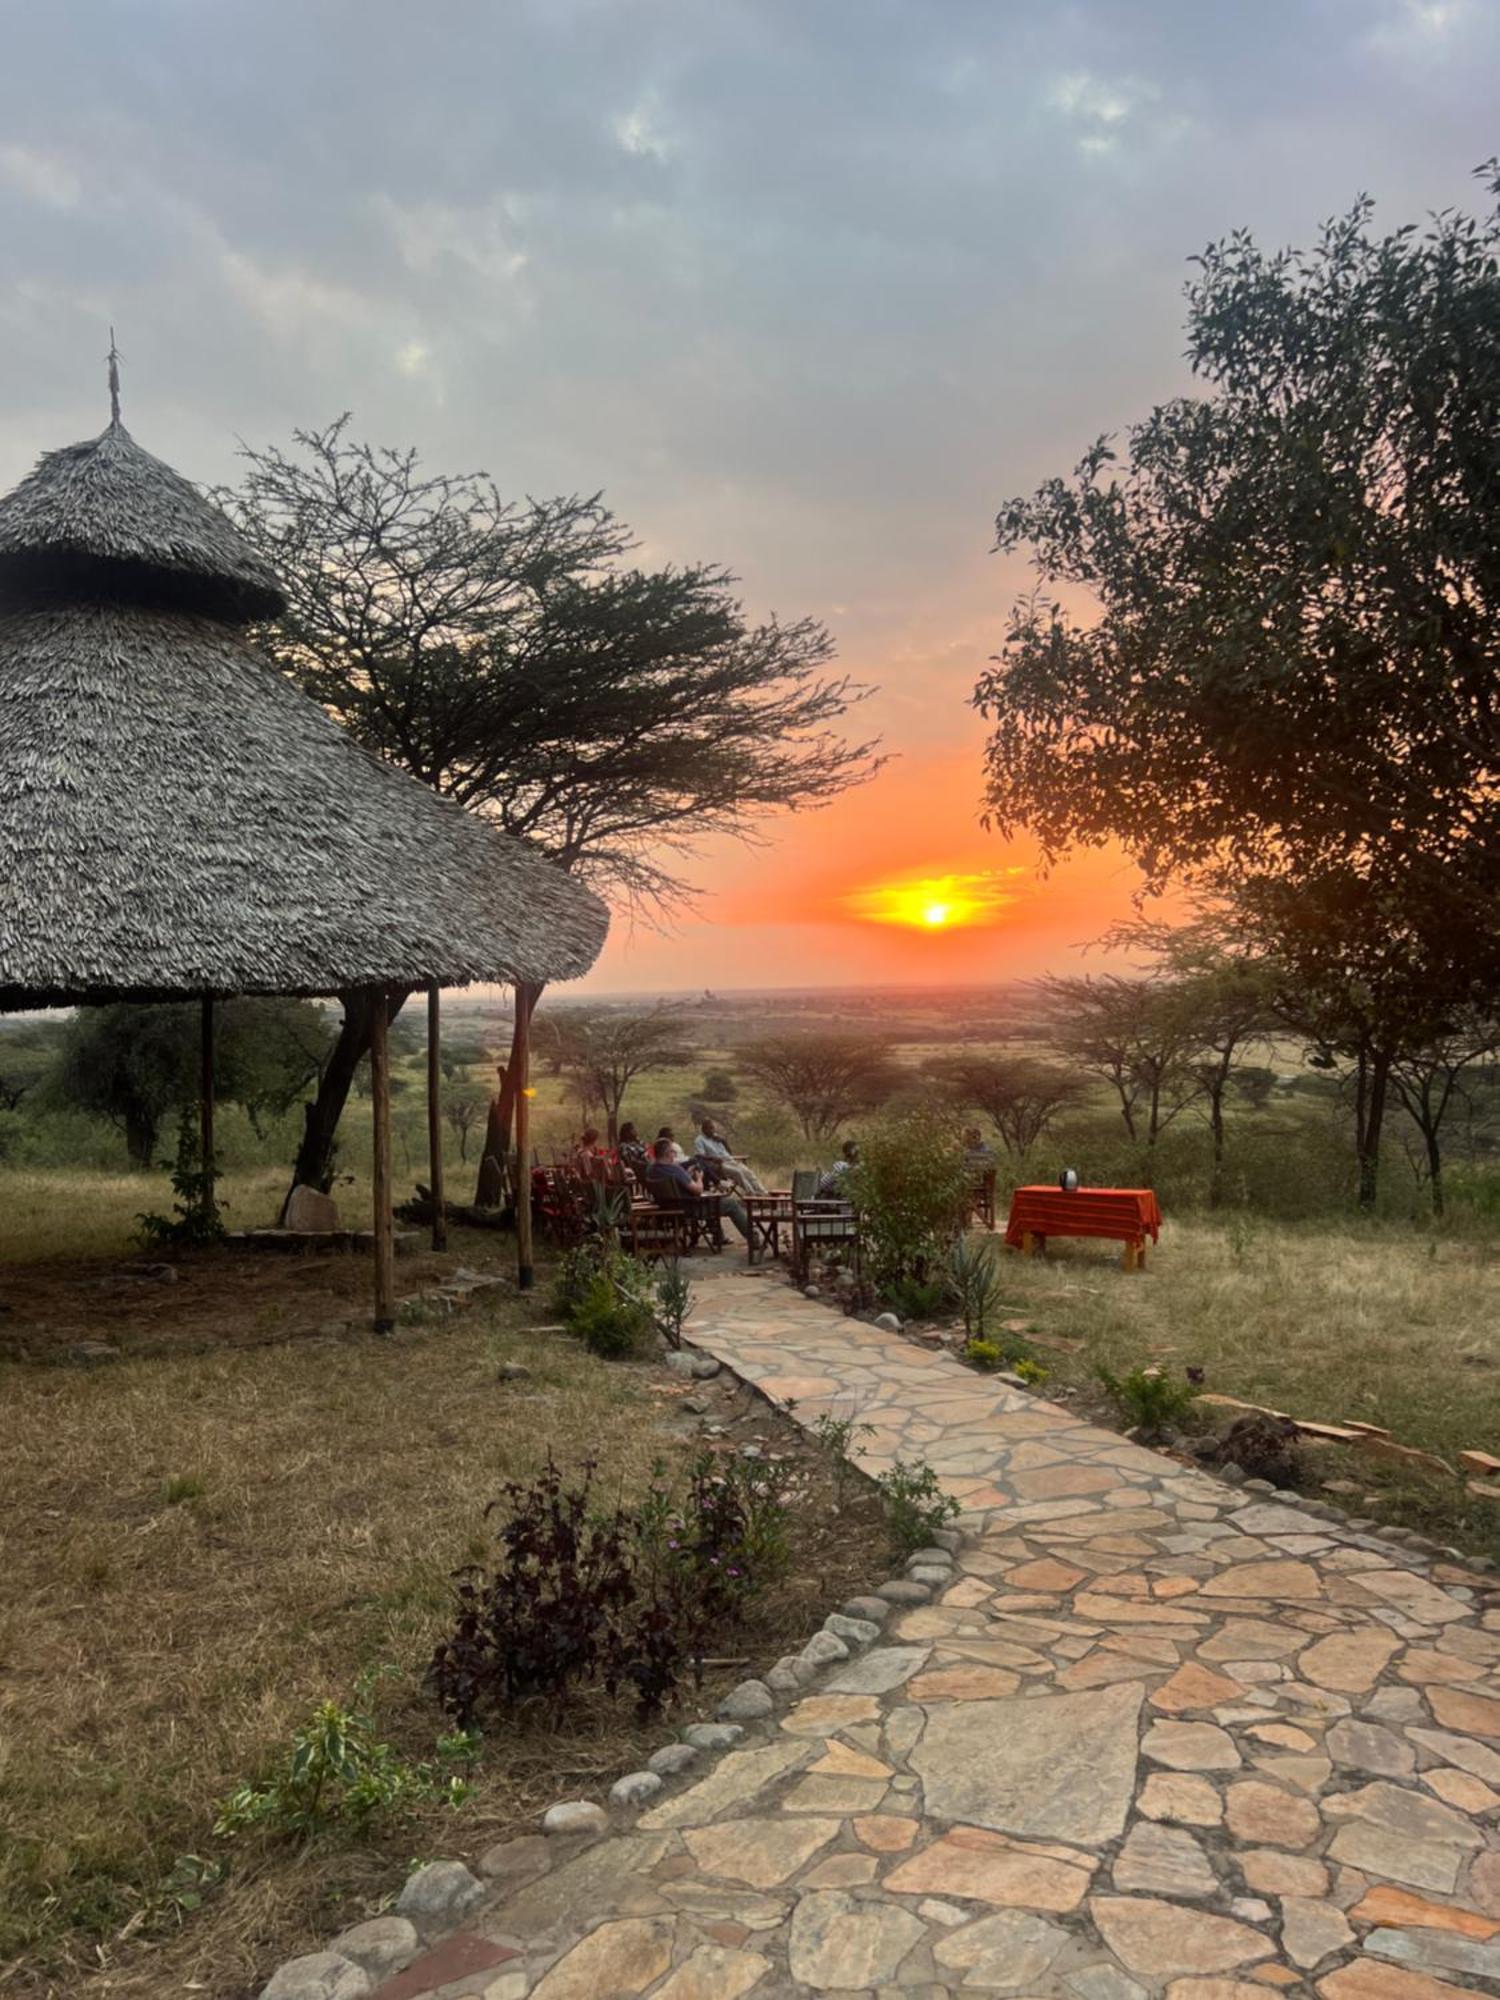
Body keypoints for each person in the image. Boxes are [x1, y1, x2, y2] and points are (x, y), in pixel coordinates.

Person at [645, 1137, 750, 1244]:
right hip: (689, 1209)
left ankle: (719, 1237)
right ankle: (753, 1238)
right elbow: (698, 1190)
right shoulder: (675, 1169)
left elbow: (677, 1185)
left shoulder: (650, 1170)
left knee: (711, 1200)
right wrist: (699, 1177)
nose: (675, 1155)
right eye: (673, 1152)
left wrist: (687, 1175)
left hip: (666, 1207)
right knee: (730, 1203)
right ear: (667, 1153)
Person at [694, 1116, 767, 1195]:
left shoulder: (716, 1138)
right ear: (704, 1130)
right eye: (710, 1128)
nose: (712, 1131)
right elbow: (699, 1156)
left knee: (748, 1172)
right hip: (718, 1165)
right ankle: (752, 1195)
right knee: (738, 1173)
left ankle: (764, 1194)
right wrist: (713, 1158)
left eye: (713, 1128)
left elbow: (729, 1153)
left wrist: (723, 1141)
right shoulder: (699, 1140)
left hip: (730, 1160)